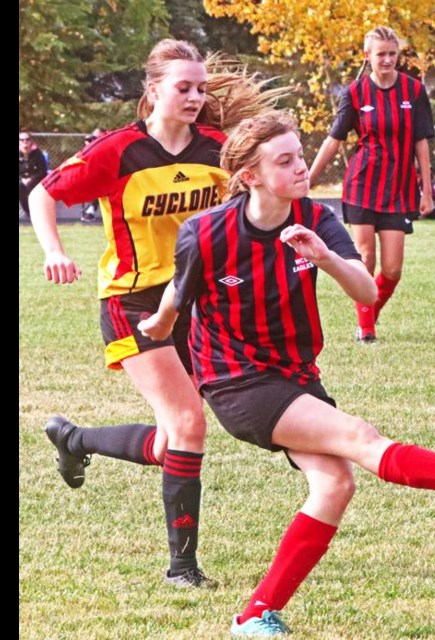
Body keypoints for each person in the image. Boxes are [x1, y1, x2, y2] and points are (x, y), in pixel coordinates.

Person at [137, 111, 435, 636]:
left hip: (295, 375)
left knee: (333, 484)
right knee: (358, 438)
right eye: (286, 161)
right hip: (238, 383)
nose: (302, 166)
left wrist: (325, 257)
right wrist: (161, 321)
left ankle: (255, 614)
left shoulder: (316, 218)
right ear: (251, 176)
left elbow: (367, 293)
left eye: (301, 155)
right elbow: (178, 289)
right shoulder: (207, 232)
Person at [29, 39, 284, 587]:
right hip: (133, 302)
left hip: (195, 306)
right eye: (183, 88)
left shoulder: (218, 149)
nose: (194, 97)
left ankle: (76, 440)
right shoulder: (118, 151)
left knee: (172, 441)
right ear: (153, 91)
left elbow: (256, 201)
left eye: (200, 89)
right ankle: (181, 568)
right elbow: (43, 196)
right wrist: (54, 250)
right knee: (190, 424)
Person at [308, 26, 434, 344]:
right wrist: (308, 179)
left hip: (400, 189)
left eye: (393, 53)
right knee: (365, 257)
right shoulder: (354, 92)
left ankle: (369, 312)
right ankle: (366, 330)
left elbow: (422, 143)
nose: (388, 59)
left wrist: (427, 190)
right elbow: (334, 140)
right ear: (369, 56)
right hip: (362, 185)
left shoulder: (414, 91)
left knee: (392, 270)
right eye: (381, 54)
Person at [19, 131, 48, 219]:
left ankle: (37, 212)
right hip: (21, 180)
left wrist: (31, 178)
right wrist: (22, 179)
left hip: (35, 180)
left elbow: (43, 171)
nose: (25, 142)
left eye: (27, 139)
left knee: (31, 186)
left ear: (30, 141)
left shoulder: (37, 154)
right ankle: (28, 212)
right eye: (22, 140)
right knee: (20, 186)